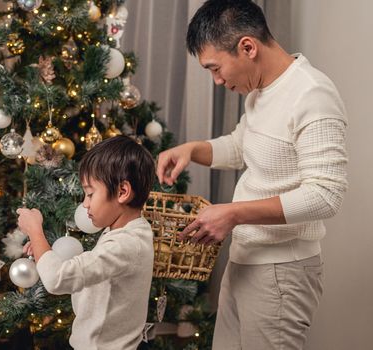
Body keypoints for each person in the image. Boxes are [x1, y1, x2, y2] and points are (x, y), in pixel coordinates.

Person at [157, 0, 348, 349]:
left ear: (247, 47)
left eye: (215, 68)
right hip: (245, 259)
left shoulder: (312, 95)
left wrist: (233, 214)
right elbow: (242, 146)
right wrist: (191, 150)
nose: (216, 81)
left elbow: (326, 195)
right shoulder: (260, 92)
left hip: (281, 273)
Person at [17, 135, 156, 350]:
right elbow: (89, 273)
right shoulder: (126, 230)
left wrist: (36, 232)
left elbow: (57, 280)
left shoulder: (127, 244)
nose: (85, 204)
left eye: (90, 194)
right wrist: (42, 250)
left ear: (122, 192)